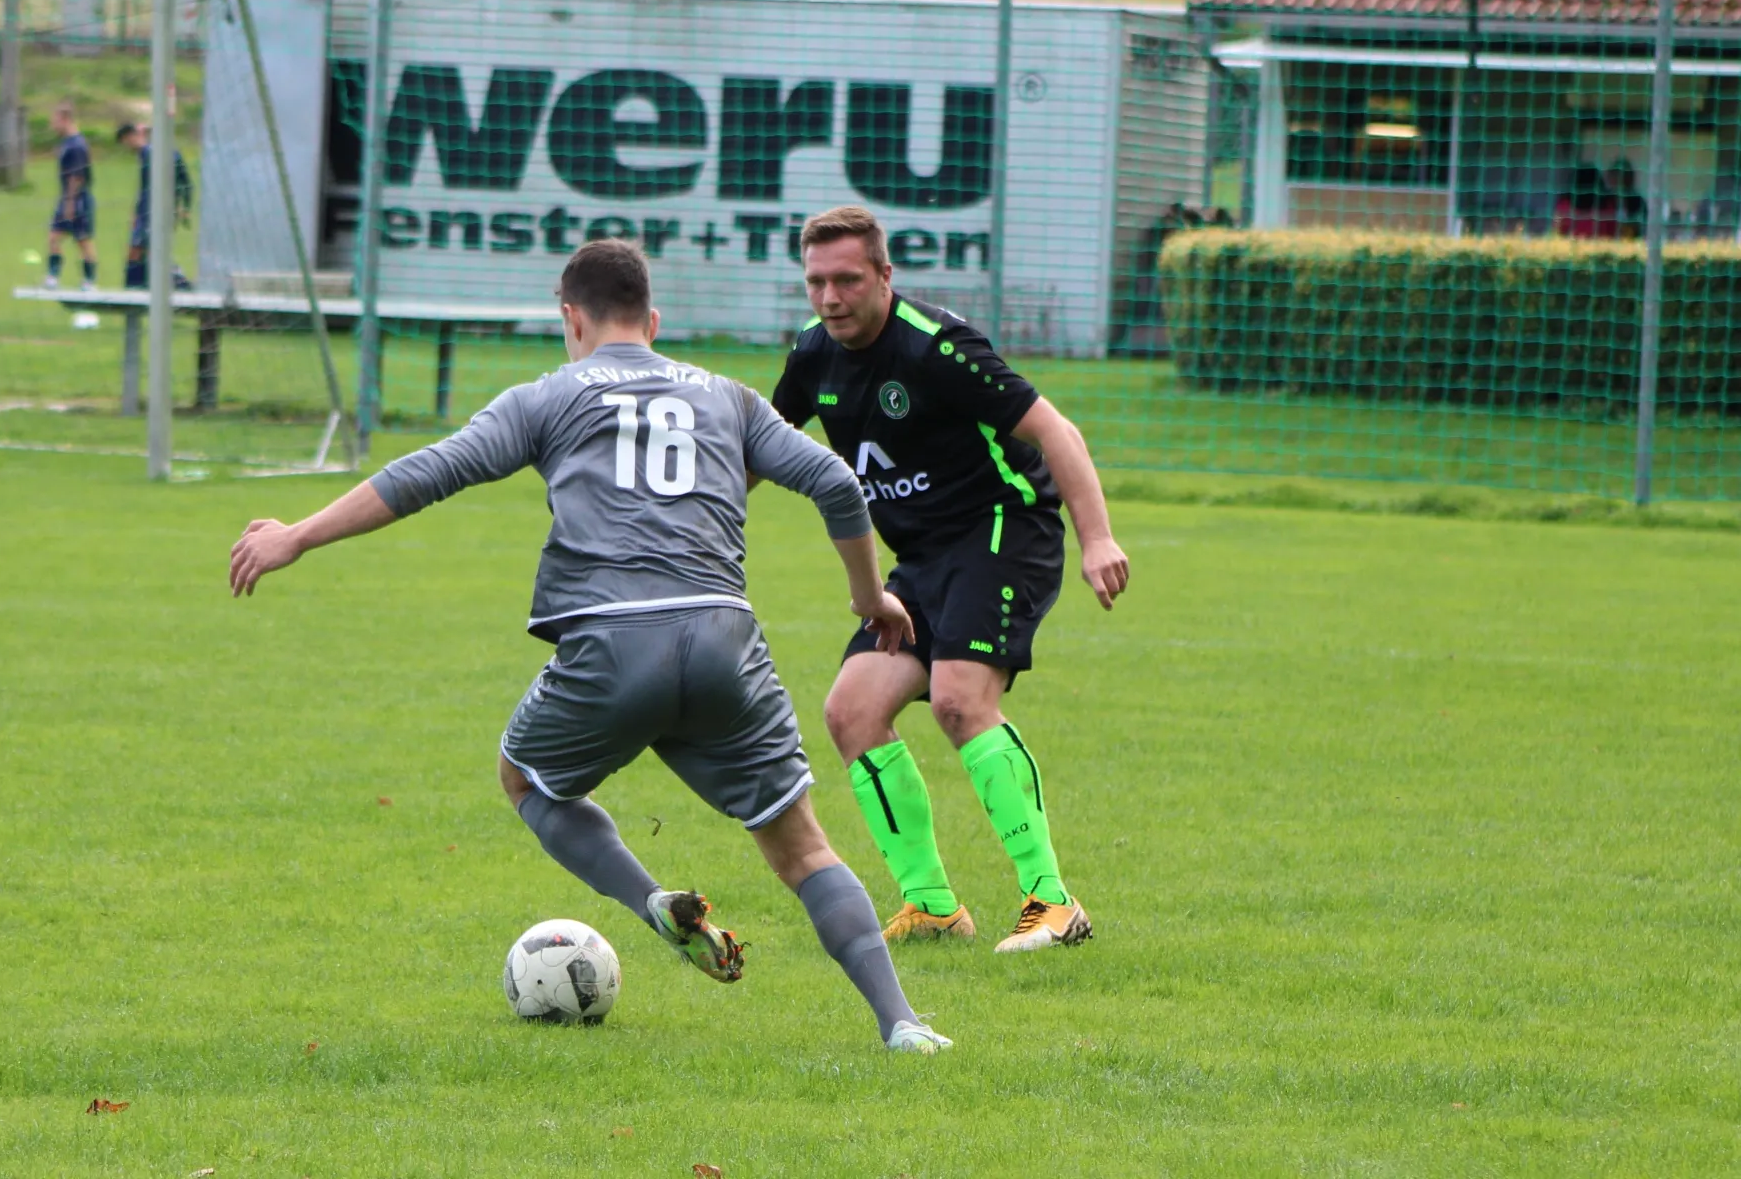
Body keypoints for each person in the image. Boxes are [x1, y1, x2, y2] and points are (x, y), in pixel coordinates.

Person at [228, 239, 952, 1054]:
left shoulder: (548, 396)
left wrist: (298, 535)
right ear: (653, 321)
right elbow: (836, 483)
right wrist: (870, 597)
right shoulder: (729, 397)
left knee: (526, 780)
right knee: (802, 848)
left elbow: (427, 474)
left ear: (570, 317)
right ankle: (902, 1024)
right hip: (725, 644)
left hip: (613, 645)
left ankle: (649, 902)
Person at [769, 206, 1130, 953]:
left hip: (1002, 528)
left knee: (960, 699)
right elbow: (762, 448)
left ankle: (1053, 902)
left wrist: (1097, 539)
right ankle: (932, 905)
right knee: (850, 712)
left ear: (885, 276)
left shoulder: (936, 348)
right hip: (922, 559)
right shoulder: (813, 354)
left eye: (847, 280)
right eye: (816, 282)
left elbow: (1055, 430)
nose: (830, 297)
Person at [114, 121, 194, 290]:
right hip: (149, 211)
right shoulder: (153, 153)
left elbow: (183, 180)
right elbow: (146, 187)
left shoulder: (153, 152)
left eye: (126, 141)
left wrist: (181, 205)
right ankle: (137, 287)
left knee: (147, 251)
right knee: (143, 250)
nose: (127, 146)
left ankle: (179, 283)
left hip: (155, 213)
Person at [43, 102, 97, 291]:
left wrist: (70, 202)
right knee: (54, 237)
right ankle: (52, 277)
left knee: (83, 240)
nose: (52, 125)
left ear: (65, 120)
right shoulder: (67, 143)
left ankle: (89, 281)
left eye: (55, 121)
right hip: (67, 197)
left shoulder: (77, 145)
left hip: (77, 198)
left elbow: (77, 176)